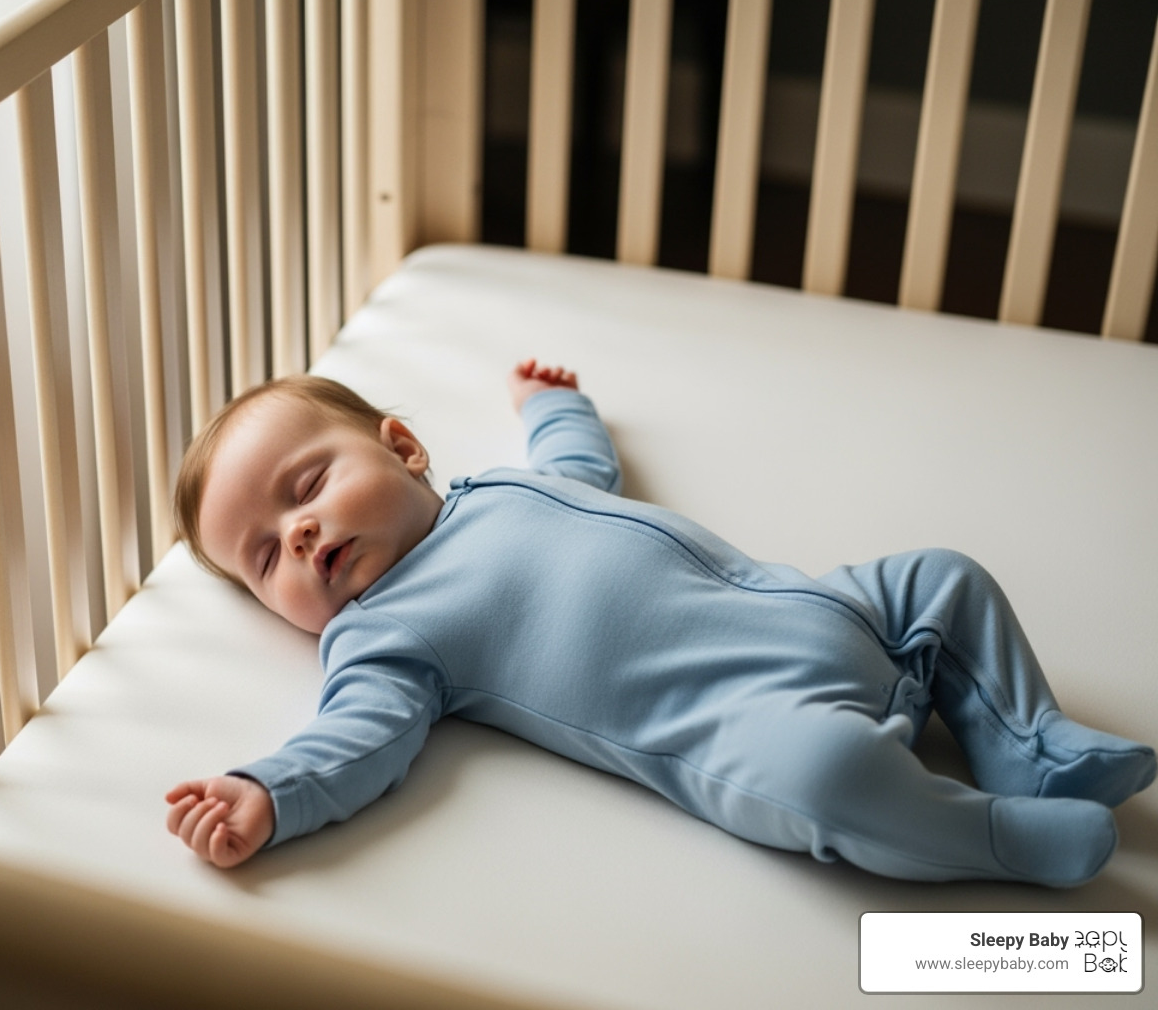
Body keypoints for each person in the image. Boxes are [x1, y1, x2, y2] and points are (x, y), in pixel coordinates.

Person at [165, 361, 1155, 884]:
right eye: (263, 557)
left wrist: (555, 404)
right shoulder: (383, 633)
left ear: (404, 447)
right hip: (750, 723)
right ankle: (996, 837)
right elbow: (358, 735)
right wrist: (269, 791)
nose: (298, 534)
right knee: (831, 780)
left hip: (824, 606)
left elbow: (582, 469)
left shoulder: (502, 485)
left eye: (307, 487)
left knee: (946, 576)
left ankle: (1031, 743)